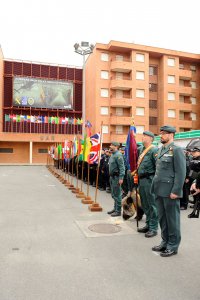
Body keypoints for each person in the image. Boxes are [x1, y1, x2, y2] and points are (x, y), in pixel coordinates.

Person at [152, 125, 186, 257]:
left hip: (170, 191)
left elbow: (181, 172)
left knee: (172, 219)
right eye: (161, 133)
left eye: (164, 133)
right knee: (162, 218)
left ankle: (173, 245)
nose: (161, 135)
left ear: (171, 135)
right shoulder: (161, 149)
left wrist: (176, 191)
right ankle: (165, 242)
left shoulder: (177, 150)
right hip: (159, 190)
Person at [137, 131, 158, 238]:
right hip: (142, 180)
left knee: (152, 204)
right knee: (144, 204)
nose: (142, 137)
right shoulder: (141, 149)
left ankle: (153, 228)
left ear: (150, 138)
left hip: (150, 180)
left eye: (145, 136)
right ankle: (148, 224)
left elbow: (158, 167)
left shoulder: (154, 150)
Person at [107, 142, 125, 217]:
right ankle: (115, 208)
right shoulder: (113, 155)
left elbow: (122, 167)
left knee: (117, 194)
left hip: (117, 177)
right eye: (110, 145)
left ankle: (118, 211)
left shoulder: (118, 155)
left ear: (116, 146)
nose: (110, 146)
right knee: (114, 194)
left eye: (112, 145)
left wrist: (121, 177)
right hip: (112, 177)